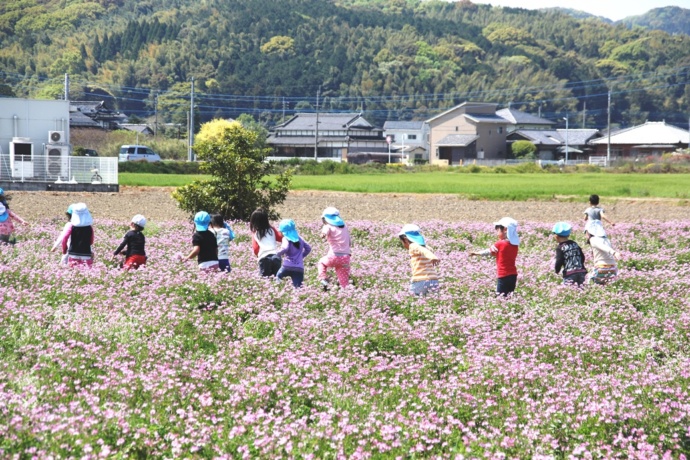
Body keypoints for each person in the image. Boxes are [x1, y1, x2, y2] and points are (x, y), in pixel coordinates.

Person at [470, 217, 520, 296]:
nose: (497, 232)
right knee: (509, 296)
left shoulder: (500, 244)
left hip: (503, 274)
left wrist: (477, 253)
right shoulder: (515, 245)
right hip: (513, 275)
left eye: (498, 230)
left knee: (500, 296)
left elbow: (489, 251)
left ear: (505, 230)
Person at [398, 224, 440, 296]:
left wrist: (432, 256)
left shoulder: (413, 245)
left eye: (402, 242)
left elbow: (421, 249)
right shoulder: (426, 247)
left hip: (420, 280)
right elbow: (424, 249)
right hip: (434, 280)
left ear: (405, 239)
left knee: (412, 298)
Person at [318, 207, 351, 290]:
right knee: (343, 280)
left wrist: (322, 235)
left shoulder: (328, 226)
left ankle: (323, 279)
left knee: (322, 262)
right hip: (345, 258)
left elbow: (325, 232)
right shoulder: (345, 227)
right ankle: (345, 292)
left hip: (333, 256)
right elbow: (349, 241)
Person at [275, 219, 312, 288]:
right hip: (299, 268)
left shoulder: (285, 239)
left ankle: (277, 291)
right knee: (298, 287)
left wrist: (277, 254)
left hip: (287, 267)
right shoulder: (300, 239)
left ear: (284, 232)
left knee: (278, 277)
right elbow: (308, 248)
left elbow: (285, 248)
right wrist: (302, 256)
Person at [584, 219, 621, 285]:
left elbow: (602, 246)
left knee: (588, 282)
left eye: (586, 232)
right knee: (605, 286)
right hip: (613, 268)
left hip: (602, 267)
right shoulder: (606, 239)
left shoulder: (593, 239)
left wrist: (614, 252)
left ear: (589, 232)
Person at [249, 208, 283, 277]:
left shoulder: (255, 233)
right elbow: (280, 238)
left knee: (265, 279)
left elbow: (255, 249)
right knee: (277, 279)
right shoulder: (272, 230)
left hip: (264, 258)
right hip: (276, 256)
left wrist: (257, 255)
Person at [552, 222, 587, 286]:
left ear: (556, 237)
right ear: (568, 235)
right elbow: (582, 257)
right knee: (581, 289)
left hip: (569, 273)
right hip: (581, 271)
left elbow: (559, 261)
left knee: (569, 289)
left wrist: (557, 271)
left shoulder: (560, 247)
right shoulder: (574, 243)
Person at [62, 203, 94, 267]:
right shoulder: (89, 227)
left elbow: (65, 237)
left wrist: (64, 249)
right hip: (86, 253)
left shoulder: (72, 226)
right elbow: (91, 241)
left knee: (73, 272)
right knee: (86, 272)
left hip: (73, 253)